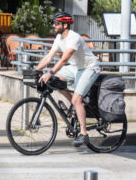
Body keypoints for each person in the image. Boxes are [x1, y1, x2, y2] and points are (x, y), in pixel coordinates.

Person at [35, 12, 100, 146]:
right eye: (53, 22)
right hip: (75, 67)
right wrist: (35, 71)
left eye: (56, 23)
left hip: (89, 68)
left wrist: (49, 73)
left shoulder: (73, 37)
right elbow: (49, 57)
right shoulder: (59, 38)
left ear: (65, 25)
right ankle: (75, 106)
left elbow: (64, 59)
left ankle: (83, 133)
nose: (53, 25)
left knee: (76, 99)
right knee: (55, 81)